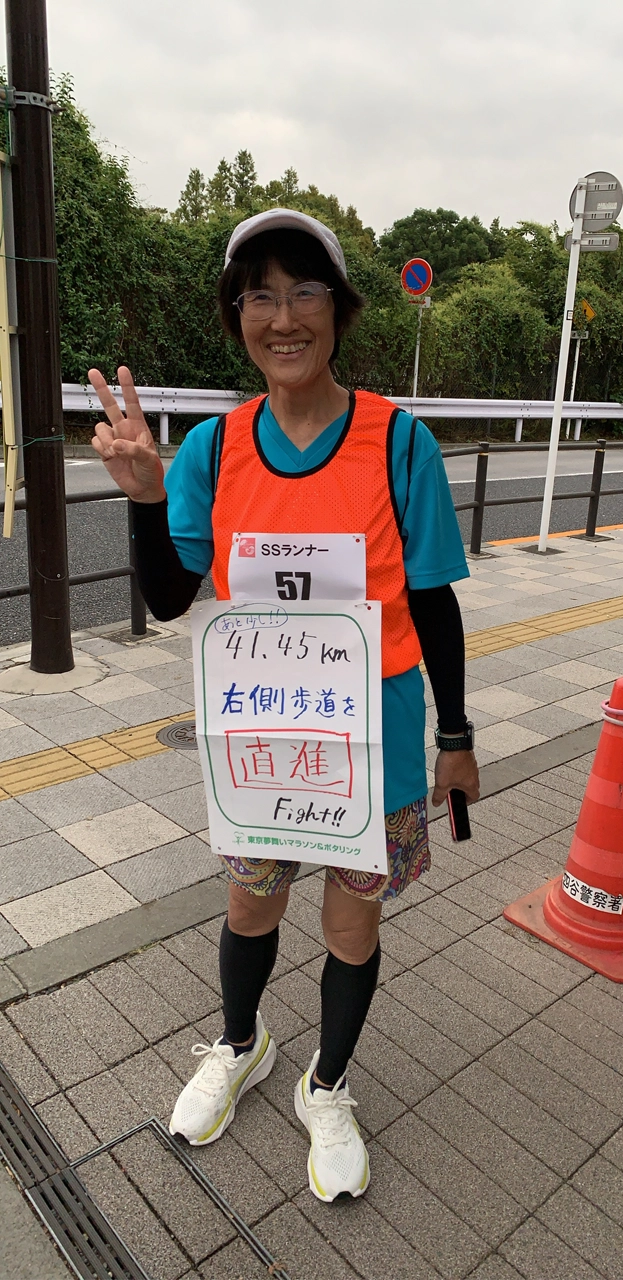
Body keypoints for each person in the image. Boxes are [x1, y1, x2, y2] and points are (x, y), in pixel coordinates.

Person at [89, 208, 479, 1203]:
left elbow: (433, 602)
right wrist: (144, 496)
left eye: (305, 290)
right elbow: (169, 598)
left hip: (373, 747)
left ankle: (328, 1084)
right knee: (250, 903)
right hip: (262, 744)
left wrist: (456, 735)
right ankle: (240, 1042)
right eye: (258, 294)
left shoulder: (399, 443)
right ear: (238, 318)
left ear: (339, 309)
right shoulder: (215, 449)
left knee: (353, 926)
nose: (284, 316)